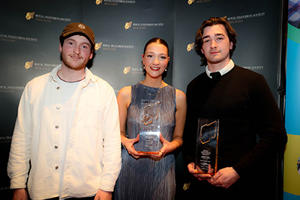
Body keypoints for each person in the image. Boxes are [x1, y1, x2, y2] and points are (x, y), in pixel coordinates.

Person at [7, 22, 121, 200]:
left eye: (84, 46)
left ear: (91, 54)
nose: (76, 51)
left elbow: (112, 145)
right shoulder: (35, 87)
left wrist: (107, 187)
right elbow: (21, 139)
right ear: (60, 47)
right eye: (71, 43)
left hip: (89, 191)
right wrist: (17, 184)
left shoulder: (104, 91)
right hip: (42, 189)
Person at [183, 17, 287, 200]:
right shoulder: (194, 87)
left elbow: (276, 136)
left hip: (242, 187)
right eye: (206, 40)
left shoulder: (253, 82)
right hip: (202, 188)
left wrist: (238, 171)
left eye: (219, 38)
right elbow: (190, 134)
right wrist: (191, 162)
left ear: (231, 44)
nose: (213, 44)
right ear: (201, 48)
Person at [114, 38, 186, 200]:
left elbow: (179, 137)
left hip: (163, 171)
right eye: (150, 56)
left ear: (168, 61)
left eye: (162, 57)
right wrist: (126, 142)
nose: (155, 62)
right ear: (143, 58)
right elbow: (117, 133)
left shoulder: (178, 97)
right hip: (130, 169)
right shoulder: (126, 93)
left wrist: (169, 146)